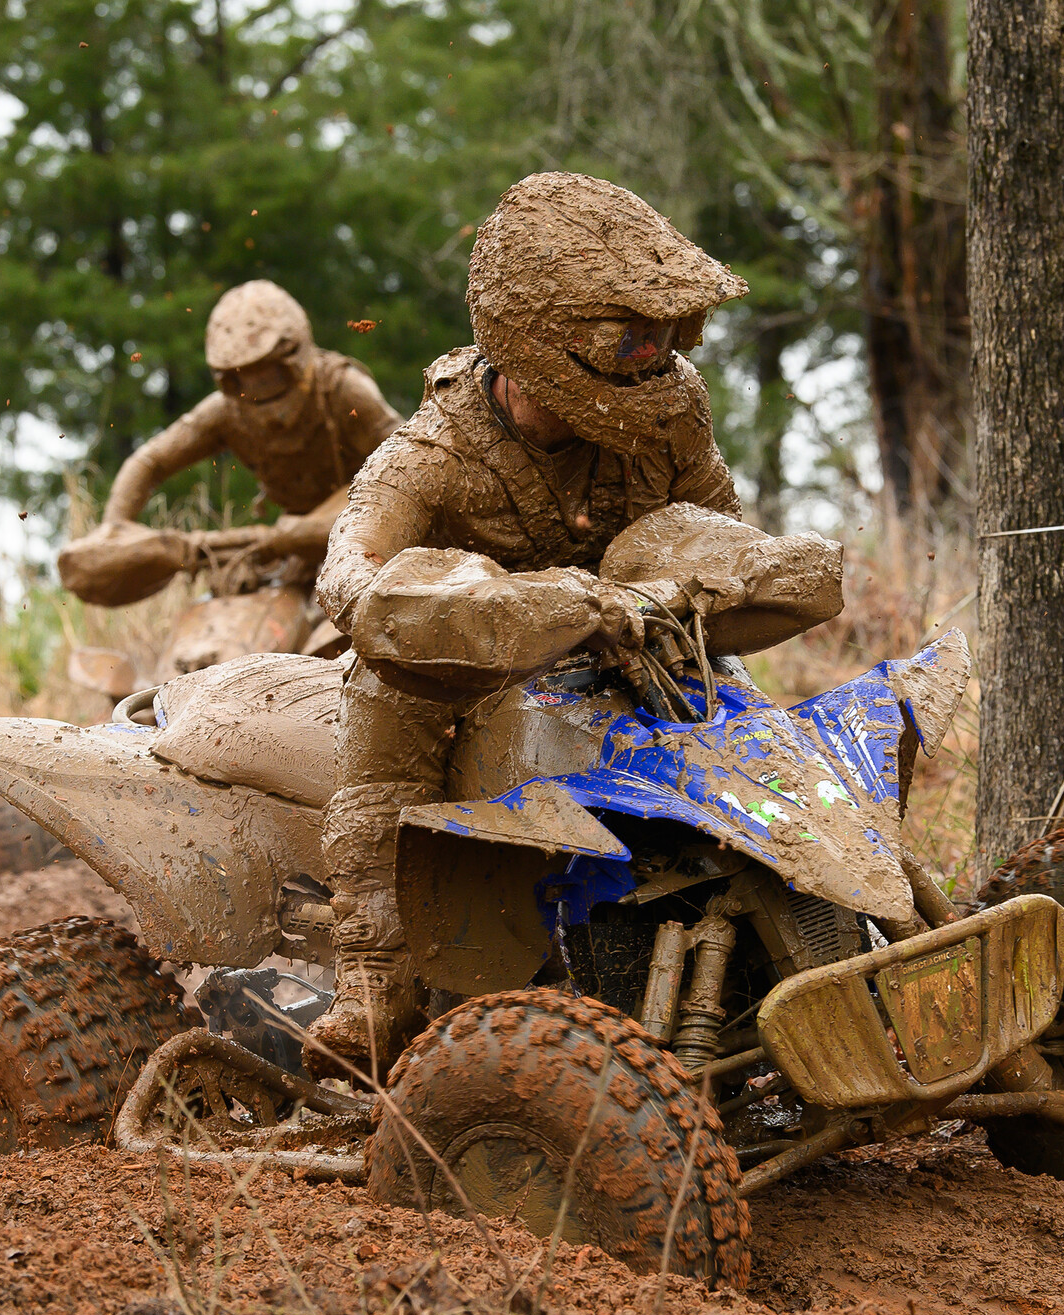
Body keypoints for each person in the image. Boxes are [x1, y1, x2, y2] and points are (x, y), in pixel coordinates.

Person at [305, 171, 823, 1075]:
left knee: (733, 686)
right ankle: (375, 982)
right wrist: (471, 600)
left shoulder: (671, 406)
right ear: (536, 336)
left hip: (636, 644)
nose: (651, 356)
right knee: (387, 693)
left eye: (666, 335)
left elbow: (719, 528)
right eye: (627, 335)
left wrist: (708, 586)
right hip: (478, 662)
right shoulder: (437, 450)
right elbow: (348, 578)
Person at [56, 280, 402, 613]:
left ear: (294, 357)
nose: (258, 388)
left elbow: (405, 463)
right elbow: (151, 461)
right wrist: (115, 529)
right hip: (291, 544)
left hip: (365, 527)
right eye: (244, 379)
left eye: (268, 374)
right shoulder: (226, 411)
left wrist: (324, 528)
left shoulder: (342, 389)